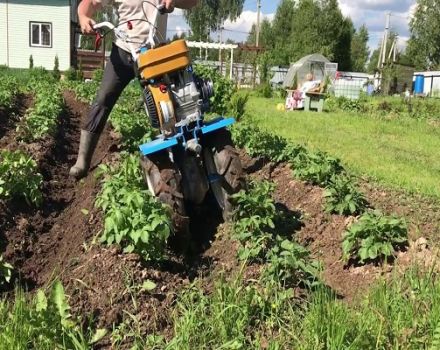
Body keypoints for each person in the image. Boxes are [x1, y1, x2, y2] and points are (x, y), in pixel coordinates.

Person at [70, 0, 198, 179]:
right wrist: (83, 17)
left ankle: (181, 156)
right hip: (123, 52)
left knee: (169, 103)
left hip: (153, 54)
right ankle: (82, 161)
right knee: (103, 98)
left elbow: (193, 2)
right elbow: (90, 3)